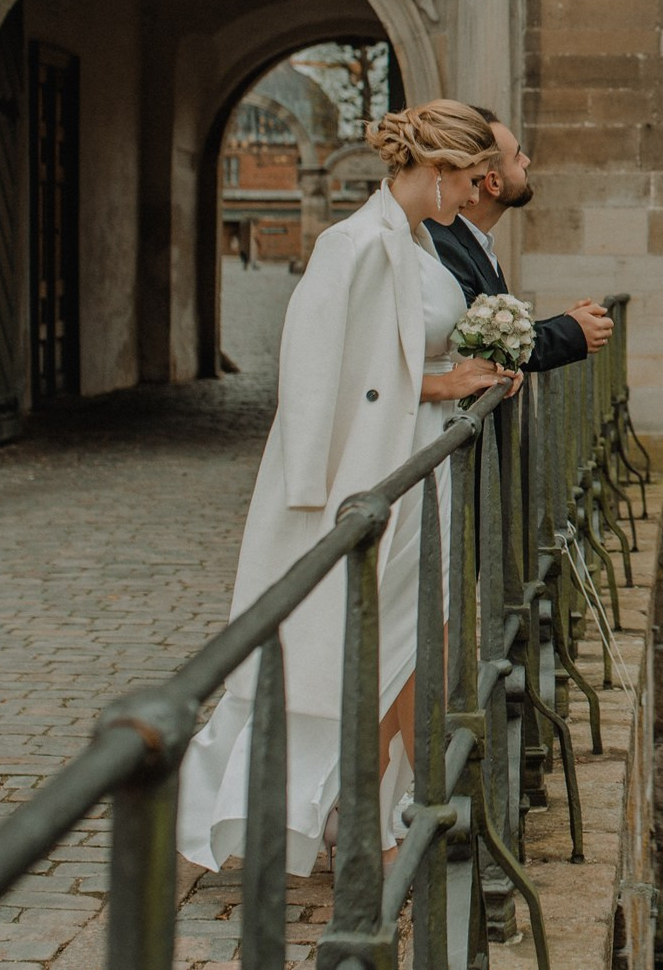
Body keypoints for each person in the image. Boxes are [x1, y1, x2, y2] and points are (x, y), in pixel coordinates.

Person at [177, 99, 517, 877]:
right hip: (367, 479)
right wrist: (439, 385)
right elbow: (317, 379)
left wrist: (464, 375)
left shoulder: (417, 242)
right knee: (383, 650)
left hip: (417, 469)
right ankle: (376, 821)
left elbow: (394, 354)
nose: (473, 194)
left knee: (411, 646)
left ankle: (381, 814)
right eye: (466, 179)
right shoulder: (352, 244)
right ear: (435, 172)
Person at [427, 110, 614, 370]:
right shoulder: (444, 245)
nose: (526, 161)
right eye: (516, 157)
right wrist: (571, 333)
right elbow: (477, 343)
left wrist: (568, 322)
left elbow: (495, 331)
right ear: (493, 183)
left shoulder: (473, 241)